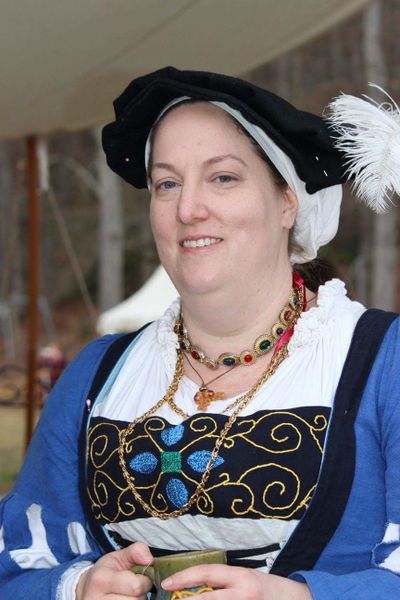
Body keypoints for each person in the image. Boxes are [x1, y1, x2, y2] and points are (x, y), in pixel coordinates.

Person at [1, 66, 399, 600]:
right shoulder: (99, 375)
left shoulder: (383, 362)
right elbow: (17, 560)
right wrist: (75, 587)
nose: (188, 209)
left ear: (288, 202)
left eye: (223, 178)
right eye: (167, 184)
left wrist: (297, 596)